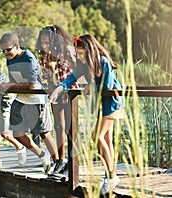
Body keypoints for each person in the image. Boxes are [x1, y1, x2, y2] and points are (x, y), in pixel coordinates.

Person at [49, 34, 124, 193]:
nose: (79, 56)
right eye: (77, 53)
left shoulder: (103, 62)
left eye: (81, 53)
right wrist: (57, 90)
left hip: (111, 104)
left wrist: (90, 87)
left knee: (97, 137)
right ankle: (109, 175)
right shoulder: (83, 65)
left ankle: (111, 177)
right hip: (100, 106)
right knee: (106, 140)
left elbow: (108, 85)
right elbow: (69, 80)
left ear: (90, 51)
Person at [0, 32, 59, 173]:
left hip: (36, 99)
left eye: (8, 49)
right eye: (3, 50)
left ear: (17, 46)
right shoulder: (10, 59)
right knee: (17, 133)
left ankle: (58, 163)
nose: (5, 53)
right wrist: (2, 85)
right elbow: (14, 81)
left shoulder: (29, 59)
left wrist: (9, 87)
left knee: (43, 133)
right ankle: (42, 155)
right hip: (20, 98)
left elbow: (32, 85)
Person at [36, 25, 79, 174]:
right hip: (55, 93)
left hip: (70, 92)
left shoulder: (67, 50)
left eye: (48, 42)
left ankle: (74, 162)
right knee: (58, 126)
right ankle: (61, 160)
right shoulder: (43, 55)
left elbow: (78, 70)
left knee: (70, 128)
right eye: (42, 42)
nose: (45, 45)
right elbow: (46, 76)